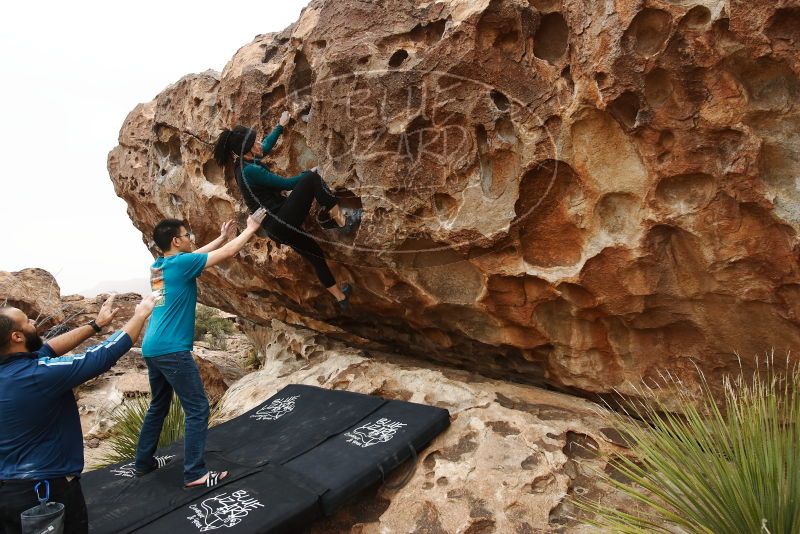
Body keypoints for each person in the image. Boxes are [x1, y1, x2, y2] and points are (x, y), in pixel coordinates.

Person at [0, 293, 156, 534]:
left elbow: (48, 349)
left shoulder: (11, 370)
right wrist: (140, 314)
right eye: (27, 321)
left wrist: (96, 325)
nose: (33, 321)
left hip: (10, 491)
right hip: (44, 492)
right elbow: (103, 355)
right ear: (17, 337)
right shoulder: (36, 376)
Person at [134, 210, 266, 489]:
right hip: (171, 349)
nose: (190, 238)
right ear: (176, 241)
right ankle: (194, 473)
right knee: (197, 409)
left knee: (158, 405)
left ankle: (143, 463)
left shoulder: (159, 266)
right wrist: (251, 228)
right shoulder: (181, 264)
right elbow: (229, 253)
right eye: (186, 235)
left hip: (152, 347)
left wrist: (218, 237)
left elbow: (196, 256)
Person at [213, 111, 360, 310]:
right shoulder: (251, 171)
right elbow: (287, 184)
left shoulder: (243, 163)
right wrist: (310, 173)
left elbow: (264, 148)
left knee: (315, 255)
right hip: (282, 219)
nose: (259, 144)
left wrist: (280, 125)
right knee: (311, 179)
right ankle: (343, 222)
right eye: (254, 142)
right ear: (247, 151)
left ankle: (341, 298)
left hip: (276, 228)